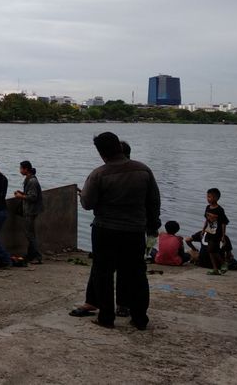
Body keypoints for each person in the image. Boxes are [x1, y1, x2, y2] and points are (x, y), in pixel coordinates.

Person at [79, 132, 161, 330]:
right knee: (137, 273)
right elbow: (154, 202)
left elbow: (87, 203)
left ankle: (106, 318)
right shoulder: (143, 171)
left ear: (101, 153)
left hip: (105, 230)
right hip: (134, 231)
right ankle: (140, 318)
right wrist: (151, 226)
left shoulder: (99, 174)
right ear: (118, 146)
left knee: (103, 273)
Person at [186, 188, 230, 275]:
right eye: (207, 197)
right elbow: (207, 220)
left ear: (216, 198)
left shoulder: (220, 210)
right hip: (209, 232)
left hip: (217, 233)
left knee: (213, 250)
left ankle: (223, 264)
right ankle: (215, 269)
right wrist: (203, 230)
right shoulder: (207, 208)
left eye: (210, 197)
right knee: (210, 251)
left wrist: (223, 235)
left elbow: (224, 223)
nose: (208, 199)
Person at [13, 161, 44, 264]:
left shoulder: (32, 181)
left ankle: (38, 256)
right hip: (30, 210)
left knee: (29, 234)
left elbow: (33, 197)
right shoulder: (30, 179)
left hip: (30, 211)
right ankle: (31, 255)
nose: (20, 170)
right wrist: (23, 193)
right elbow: (31, 194)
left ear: (26, 169)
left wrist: (20, 196)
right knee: (30, 233)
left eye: (21, 168)